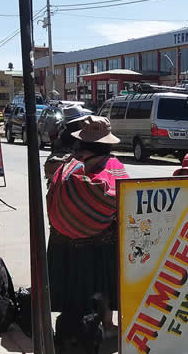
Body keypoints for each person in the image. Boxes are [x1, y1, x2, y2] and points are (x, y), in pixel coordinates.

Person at [46, 115, 129, 336]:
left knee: (72, 282)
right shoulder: (112, 165)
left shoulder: (69, 164)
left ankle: (71, 323)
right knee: (102, 284)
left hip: (62, 237)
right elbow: (122, 199)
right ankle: (107, 325)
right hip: (99, 242)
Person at [43, 105, 88, 185]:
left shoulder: (60, 132)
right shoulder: (79, 135)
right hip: (72, 175)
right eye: (82, 121)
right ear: (78, 122)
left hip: (57, 174)